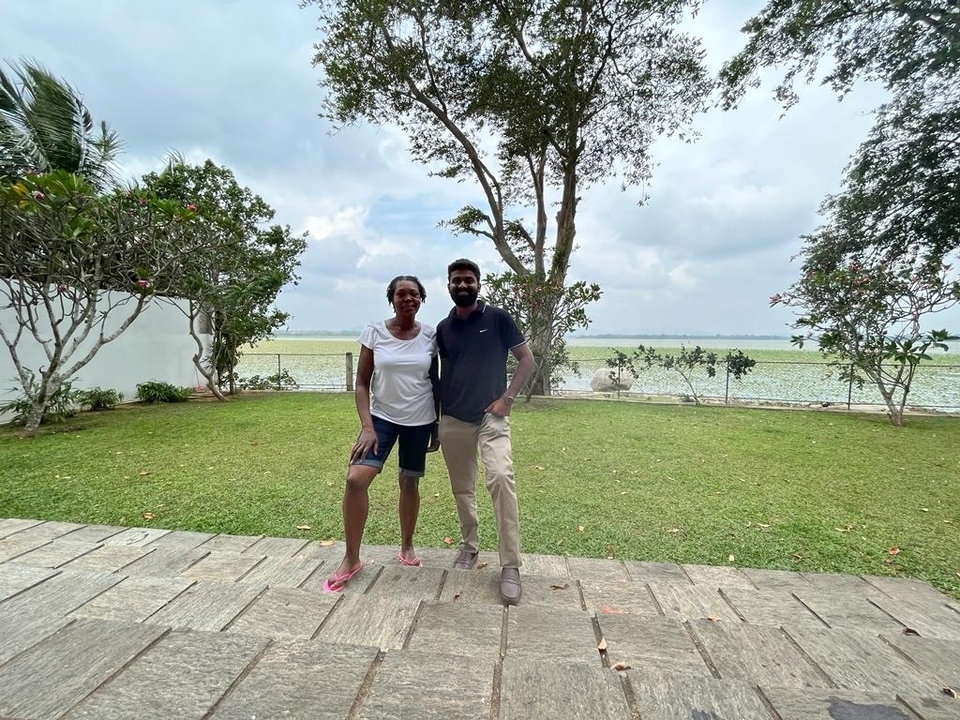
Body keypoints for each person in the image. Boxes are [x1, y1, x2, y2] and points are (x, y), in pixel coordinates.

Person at [323, 275, 439, 593]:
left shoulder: (430, 335)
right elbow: (362, 383)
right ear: (391, 299)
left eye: (414, 294)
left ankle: (407, 546)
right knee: (355, 479)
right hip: (382, 420)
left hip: (419, 420)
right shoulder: (374, 332)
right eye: (401, 294)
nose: (408, 299)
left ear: (421, 299)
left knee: (409, 481)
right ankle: (351, 557)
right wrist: (367, 426)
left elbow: (435, 380)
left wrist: (436, 425)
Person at [436, 258, 536, 605]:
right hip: (452, 418)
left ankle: (510, 564)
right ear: (448, 285)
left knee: (501, 478)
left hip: (490, 417)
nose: (462, 285)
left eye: (468, 280)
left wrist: (507, 399)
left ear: (478, 284)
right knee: (463, 488)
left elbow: (527, 360)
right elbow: (441, 374)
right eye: (456, 281)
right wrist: (437, 420)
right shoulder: (443, 327)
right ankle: (469, 546)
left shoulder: (498, 319)